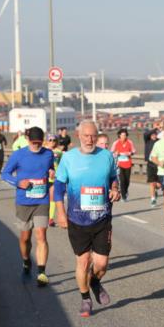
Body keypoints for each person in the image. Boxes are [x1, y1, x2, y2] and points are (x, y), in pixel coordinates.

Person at [53, 121, 120, 317]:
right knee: (83, 262)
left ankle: (95, 282)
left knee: (101, 264)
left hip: (102, 219)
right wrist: (60, 213)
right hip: (77, 219)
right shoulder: (68, 158)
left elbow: (113, 178)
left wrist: (115, 189)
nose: (90, 140)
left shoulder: (106, 156)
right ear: (78, 135)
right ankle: (85, 299)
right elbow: (58, 187)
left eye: (93, 136)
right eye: (86, 136)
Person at [2, 126, 55, 287]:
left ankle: (41, 272)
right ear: (27, 139)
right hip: (24, 202)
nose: (37, 146)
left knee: (41, 236)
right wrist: (19, 182)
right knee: (25, 238)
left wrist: (52, 173)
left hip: (42, 200)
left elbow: (50, 169)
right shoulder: (18, 155)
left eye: (39, 143)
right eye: (34, 143)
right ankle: (26, 262)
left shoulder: (48, 154)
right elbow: (5, 174)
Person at [112, 128, 135, 202]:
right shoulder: (116, 143)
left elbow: (134, 151)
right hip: (120, 164)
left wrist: (129, 153)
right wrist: (116, 153)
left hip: (128, 163)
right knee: (122, 180)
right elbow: (111, 152)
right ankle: (123, 196)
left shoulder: (130, 142)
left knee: (127, 180)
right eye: (122, 135)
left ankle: (125, 191)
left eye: (125, 135)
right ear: (119, 135)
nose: (124, 136)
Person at [144, 124, 162, 207]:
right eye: (153, 134)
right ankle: (153, 199)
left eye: (155, 134)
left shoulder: (159, 141)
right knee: (152, 183)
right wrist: (156, 128)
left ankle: (155, 191)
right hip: (150, 165)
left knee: (158, 185)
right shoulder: (147, 141)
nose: (154, 136)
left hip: (158, 165)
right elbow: (146, 134)